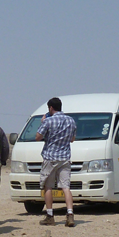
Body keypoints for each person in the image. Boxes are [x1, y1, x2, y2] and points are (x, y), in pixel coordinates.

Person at [34, 97, 77, 227]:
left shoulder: (48, 121)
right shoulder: (71, 121)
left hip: (50, 157)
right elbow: (72, 139)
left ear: (51, 108)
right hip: (64, 157)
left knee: (48, 186)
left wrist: (43, 123)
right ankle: (70, 214)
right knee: (66, 186)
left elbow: (37, 137)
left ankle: (50, 215)